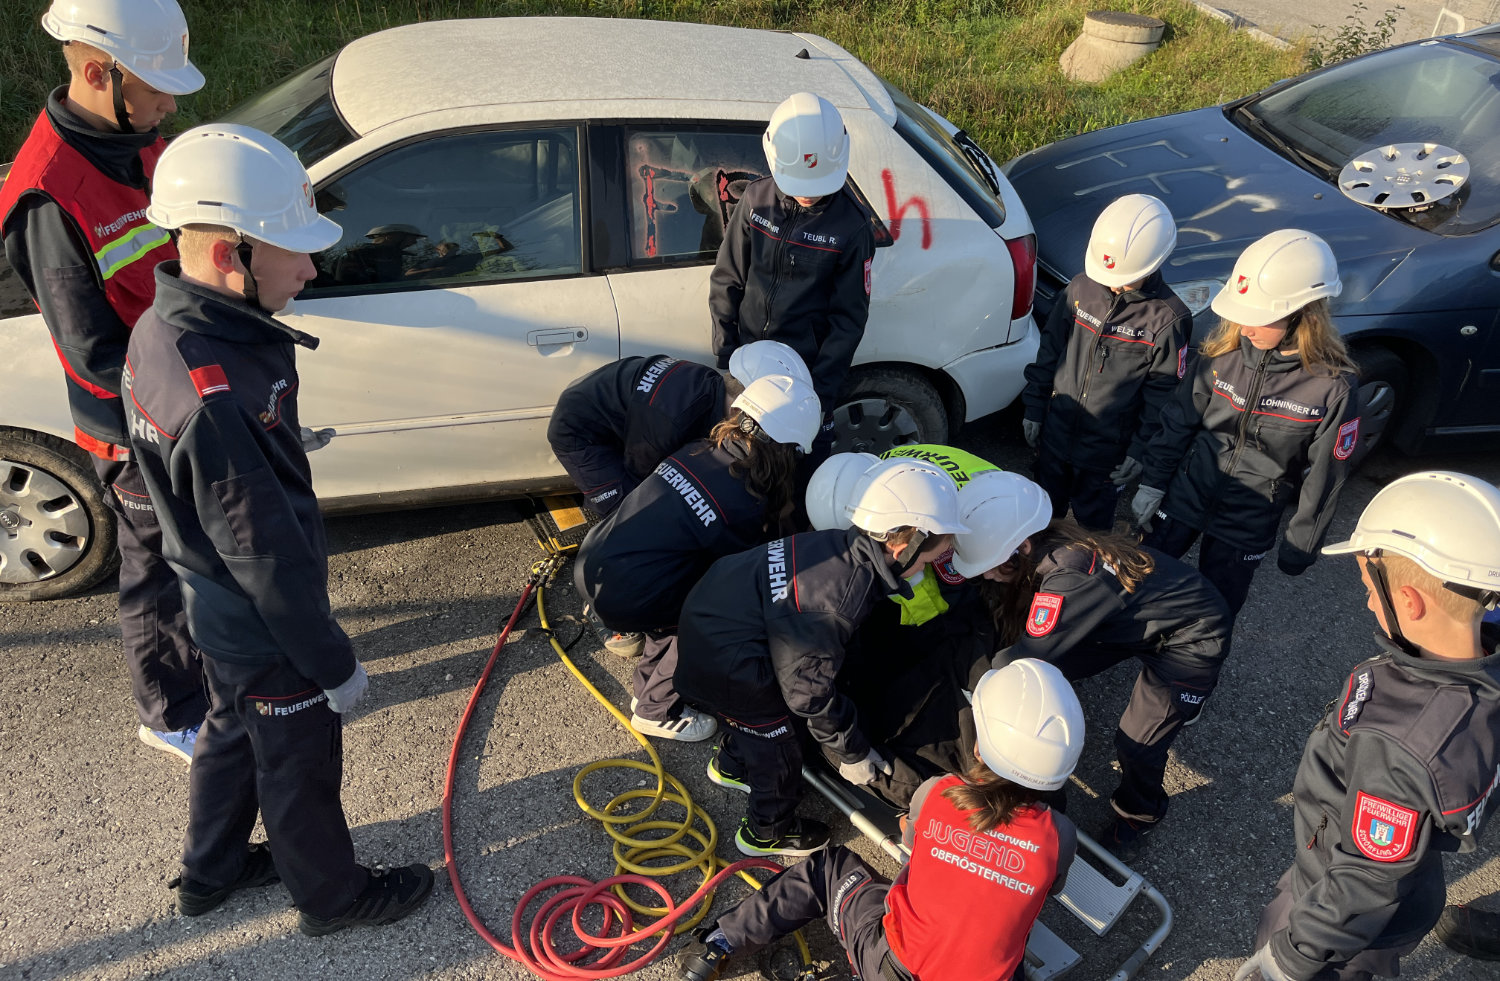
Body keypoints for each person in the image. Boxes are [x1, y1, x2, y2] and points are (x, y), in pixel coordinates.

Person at [122, 124, 433, 933]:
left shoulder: (162, 330)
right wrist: (331, 662)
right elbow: (265, 556)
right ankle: (335, 897)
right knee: (297, 760)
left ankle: (210, 872)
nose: (312, 267)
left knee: (229, 732)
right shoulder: (213, 394)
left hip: (214, 611)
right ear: (231, 254)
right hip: (260, 622)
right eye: (292, 251)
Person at [0, 0, 208, 761]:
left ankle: (200, 666)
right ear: (99, 72)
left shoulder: (136, 137)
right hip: (132, 422)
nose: (170, 104)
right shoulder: (49, 196)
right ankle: (168, 710)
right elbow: (90, 349)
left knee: (190, 552)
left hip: (180, 394)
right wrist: (176, 416)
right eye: (156, 88)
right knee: (152, 567)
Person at [1236, 471, 1500, 981]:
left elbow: (1366, 875)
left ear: (1409, 602)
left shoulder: (1401, 740)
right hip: (1413, 882)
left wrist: (1289, 961)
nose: (1365, 601)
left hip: (1342, 925)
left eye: (1367, 587)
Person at [674, 658, 1083, 981]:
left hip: (890, 966)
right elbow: (1048, 888)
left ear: (980, 749)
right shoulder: (1060, 836)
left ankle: (718, 945)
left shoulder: (939, 793)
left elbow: (912, 841)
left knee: (829, 870)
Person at [673, 459, 966, 857]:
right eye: (929, 560)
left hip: (714, 625)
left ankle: (731, 763)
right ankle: (766, 831)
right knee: (779, 747)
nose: (927, 569)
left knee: (758, 727)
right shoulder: (837, 600)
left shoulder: (840, 544)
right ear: (905, 545)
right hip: (726, 667)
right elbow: (806, 695)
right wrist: (853, 753)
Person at [574, 372, 820, 742]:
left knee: (677, 600)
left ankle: (648, 689)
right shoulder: (742, 502)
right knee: (717, 614)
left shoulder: (698, 450)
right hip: (629, 593)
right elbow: (732, 575)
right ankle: (656, 710)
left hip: (596, 562)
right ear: (789, 450)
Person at [1132, 229, 1361, 618]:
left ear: (1303, 315)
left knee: (1214, 611)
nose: (1245, 327)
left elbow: (1326, 475)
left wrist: (1302, 542)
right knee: (1139, 584)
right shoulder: (1223, 355)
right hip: (1185, 497)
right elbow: (1178, 422)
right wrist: (1152, 481)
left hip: (1247, 522)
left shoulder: (1331, 389)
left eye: (1258, 317)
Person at [978, 516, 1232, 857]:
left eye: (992, 566)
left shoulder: (1071, 577)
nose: (987, 575)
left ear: (1021, 548)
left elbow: (1029, 654)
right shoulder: (1049, 545)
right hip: (1129, 618)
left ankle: (1141, 812)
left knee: (1138, 745)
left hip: (1192, 635)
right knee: (1049, 668)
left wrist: (981, 694)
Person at [709, 91, 877, 458]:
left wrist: (817, 393)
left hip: (806, 379)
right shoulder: (756, 201)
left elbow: (848, 321)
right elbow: (728, 278)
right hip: (749, 367)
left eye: (816, 188)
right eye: (799, 186)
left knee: (799, 467)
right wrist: (728, 355)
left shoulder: (852, 228)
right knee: (745, 463)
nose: (807, 196)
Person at [1020, 194, 1191, 530]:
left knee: (1092, 536)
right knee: (1038, 525)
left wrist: (1140, 451)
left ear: (1153, 262)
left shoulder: (1167, 319)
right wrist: (1034, 407)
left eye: (1126, 276)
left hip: (1105, 457)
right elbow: (1050, 350)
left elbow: (1163, 396)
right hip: (1055, 438)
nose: (1113, 283)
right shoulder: (1081, 287)